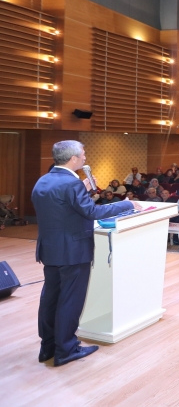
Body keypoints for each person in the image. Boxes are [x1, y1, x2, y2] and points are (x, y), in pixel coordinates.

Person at [32, 140, 140, 366]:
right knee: (70, 299)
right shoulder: (71, 185)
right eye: (83, 154)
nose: (84, 158)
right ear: (72, 159)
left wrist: (83, 189)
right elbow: (92, 212)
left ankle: (48, 347)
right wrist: (127, 204)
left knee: (50, 298)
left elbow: (62, 208)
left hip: (50, 249)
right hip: (72, 250)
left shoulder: (44, 180)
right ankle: (66, 349)